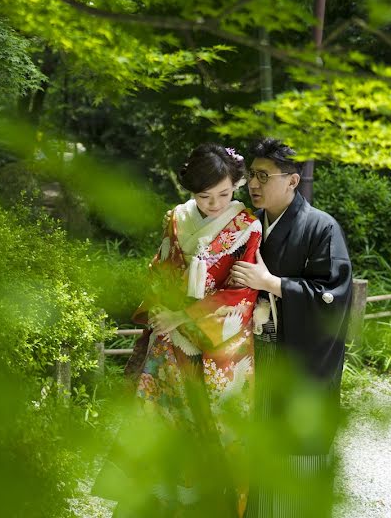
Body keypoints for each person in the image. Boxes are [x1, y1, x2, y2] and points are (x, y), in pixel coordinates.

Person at [94, 143, 264, 518]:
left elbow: (241, 291)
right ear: (190, 191)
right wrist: (162, 311)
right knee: (159, 422)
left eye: (224, 193)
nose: (216, 203)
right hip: (170, 339)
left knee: (216, 426)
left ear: (235, 184)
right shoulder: (176, 218)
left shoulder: (246, 226)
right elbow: (158, 268)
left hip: (221, 345)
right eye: (205, 196)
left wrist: (184, 316)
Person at [229, 138, 352, 518]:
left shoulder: (321, 227)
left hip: (298, 362)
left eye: (264, 175)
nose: (254, 183)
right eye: (251, 174)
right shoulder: (248, 226)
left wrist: (272, 283)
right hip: (250, 356)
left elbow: (333, 297)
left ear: (293, 181)